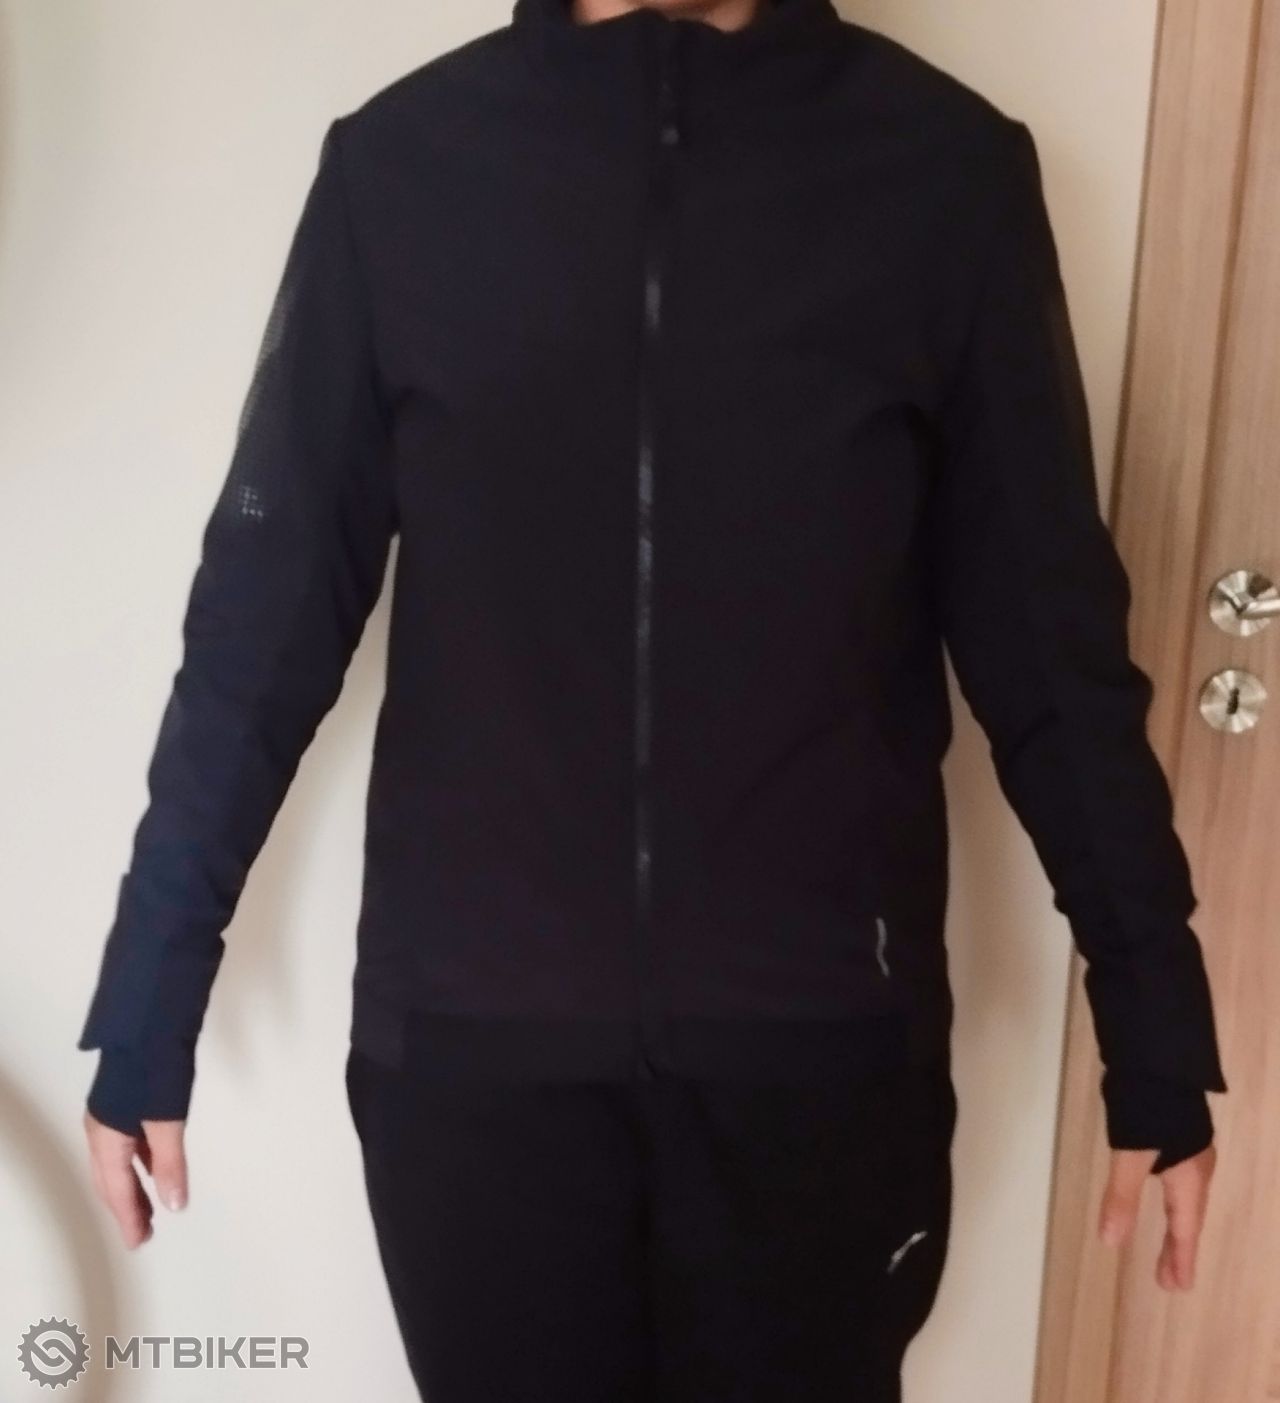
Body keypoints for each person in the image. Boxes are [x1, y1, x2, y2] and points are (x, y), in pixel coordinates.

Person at [79, 0, 1229, 1397]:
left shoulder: (943, 175)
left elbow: (1050, 645)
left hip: (819, 1066)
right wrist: (149, 995)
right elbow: (259, 626)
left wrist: (1155, 1019)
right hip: (474, 1067)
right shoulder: (404, 171)